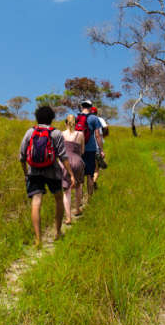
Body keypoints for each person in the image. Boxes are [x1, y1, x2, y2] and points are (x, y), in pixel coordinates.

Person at [19, 105, 77, 248]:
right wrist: (71, 174)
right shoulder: (56, 133)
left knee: (36, 202)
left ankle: (38, 240)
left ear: (37, 118)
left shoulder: (30, 132)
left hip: (34, 172)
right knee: (58, 198)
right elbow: (63, 156)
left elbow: (21, 157)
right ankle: (58, 232)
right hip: (52, 172)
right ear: (52, 119)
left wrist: (25, 173)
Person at [60, 113, 86, 223]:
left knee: (66, 191)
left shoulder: (61, 134)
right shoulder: (80, 134)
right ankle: (78, 209)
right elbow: (82, 151)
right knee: (78, 185)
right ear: (76, 124)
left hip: (65, 163)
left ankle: (68, 217)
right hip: (77, 161)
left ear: (65, 124)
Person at [77, 100, 104, 198]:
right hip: (90, 149)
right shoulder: (94, 118)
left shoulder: (77, 118)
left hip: (79, 150)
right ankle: (89, 198)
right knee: (90, 175)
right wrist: (101, 150)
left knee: (80, 176)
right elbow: (97, 135)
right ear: (91, 107)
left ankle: (78, 200)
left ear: (81, 107)